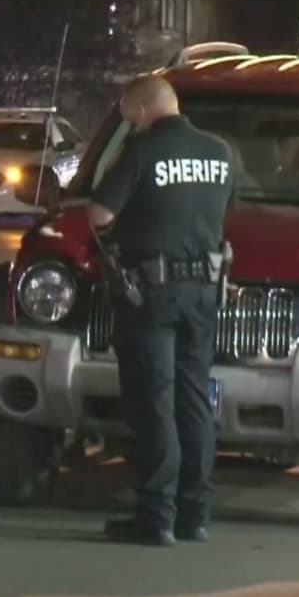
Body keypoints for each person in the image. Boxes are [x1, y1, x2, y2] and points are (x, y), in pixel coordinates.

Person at [88, 74, 235, 546]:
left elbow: (100, 214)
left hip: (153, 293)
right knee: (194, 401)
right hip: (204, 291)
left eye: (129, 115)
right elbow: (225, 210)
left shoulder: (142, 150)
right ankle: (195, 514)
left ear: (141, 110)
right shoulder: (220, 152)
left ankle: (156, 517)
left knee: (154, 402)